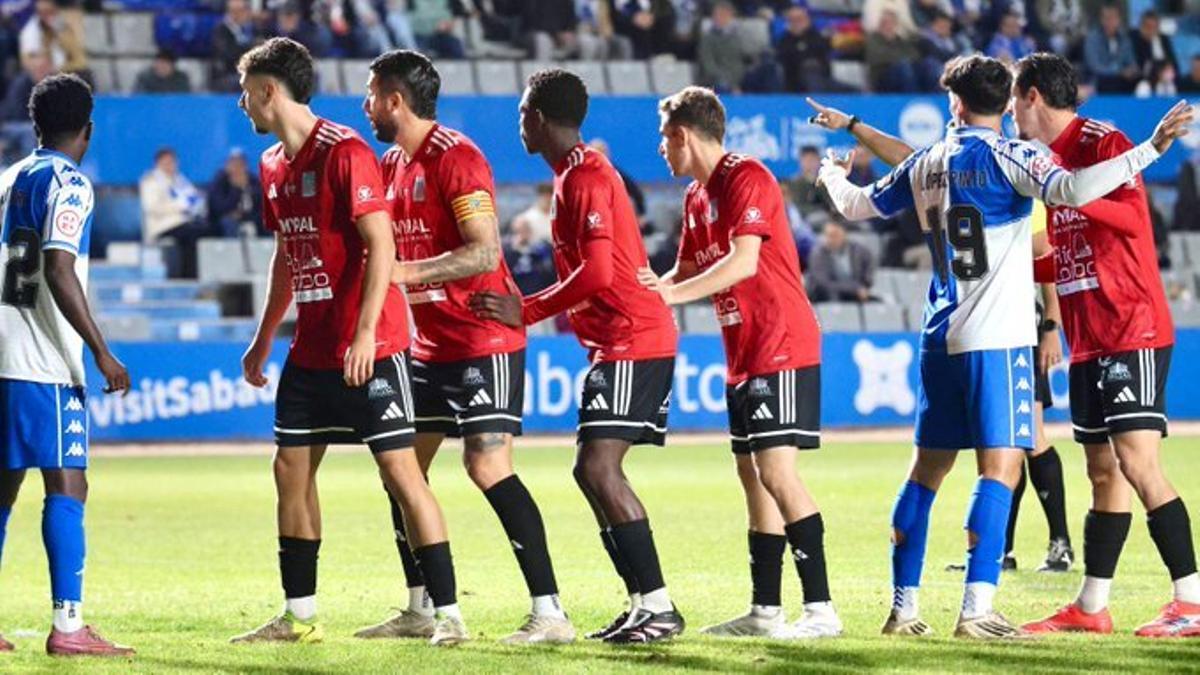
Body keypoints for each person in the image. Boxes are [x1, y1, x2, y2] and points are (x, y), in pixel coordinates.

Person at [815, 54, 1183, 639]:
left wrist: (831, 172)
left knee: (924, 472)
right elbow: (1073, 188)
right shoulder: (1012, 155)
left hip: (939, 335)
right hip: (997, 338)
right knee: (1001, 470)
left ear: (955, 103)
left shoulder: (928, 161)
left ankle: (903, 609)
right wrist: (1151, 149)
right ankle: (976, 609)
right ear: (1002, 102)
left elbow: (856, 204)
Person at [228, 37, 467, 647]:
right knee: (290, 468)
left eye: (245, 92)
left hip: (372, 347)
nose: (241, 104)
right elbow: (288, 255)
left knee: (401, 473)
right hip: (310, 350)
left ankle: (448, 615)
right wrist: (263, 338)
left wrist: (364, 333)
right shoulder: (272, 164)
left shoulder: (346, 151)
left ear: (268, 91)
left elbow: (381, 244)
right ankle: (299, 616)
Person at [805, 100, 1077, 574]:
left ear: (959, 104)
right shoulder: (1014, 168)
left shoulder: (942, 167)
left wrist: (1051, 323)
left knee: (957, 461)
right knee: (1006, 455)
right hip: (1001, 328)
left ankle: (916, 596)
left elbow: (895, 171)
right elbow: (1049, 243)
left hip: (954, 328)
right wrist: (1146, 152)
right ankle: (989, 581)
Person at [358, 49, 574, 645]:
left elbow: (484, 251)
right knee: (401, 471)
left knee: (486, 465)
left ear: (395, 100)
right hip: (429, 346)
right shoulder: (390, 165)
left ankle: (551, 613)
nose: (365, 105)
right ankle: (421, 608)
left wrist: (403, 273)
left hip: (483, 336)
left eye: (371, 95)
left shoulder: (457, 157)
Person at [470, 68, 683, 645]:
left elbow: (598, 273)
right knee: (591, 471)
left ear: (538, 119)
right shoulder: (573, 174)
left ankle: (659, 606)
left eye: (522, 114)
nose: (519, 124)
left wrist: (526, 310)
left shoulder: (585, 175)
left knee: (597, 468)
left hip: (633, 337)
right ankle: (643, 605)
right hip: (618, 339)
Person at [1006, 53, 1200, 638]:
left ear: (1032, 96)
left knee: (1138, 464)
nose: (1011, 113)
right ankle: (1092, 607)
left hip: (1130, 325)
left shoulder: (1100, 142)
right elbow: (1065, 251)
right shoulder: (1047, 161)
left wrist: (1072, 194)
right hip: (1088, 336)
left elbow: (1134, 223)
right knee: (1102, 471)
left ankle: (1191, 600)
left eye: (1014, 101)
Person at [645, 85, 842, 640]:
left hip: (781, 342)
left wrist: (670, 296)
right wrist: (645, 292)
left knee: (777, 473)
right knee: (753, 478)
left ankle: (821, 610)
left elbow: (743, 262)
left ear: (682, 135)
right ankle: (765, 611)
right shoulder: (695, 197)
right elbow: (684, 272)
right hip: (744, 351)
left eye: (664, 138)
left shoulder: (746, 176)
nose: (661, 148)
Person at [0, 72, 133, 657]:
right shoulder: (70, 182)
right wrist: (101, 350)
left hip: (2, 352)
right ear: (88, 130)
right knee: (68, 484)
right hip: (42, 359)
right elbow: (58, 266)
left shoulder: (8, 178)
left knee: (3, 489)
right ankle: (69, 626)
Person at [138, 147, 206, 278]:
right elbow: (152, 207)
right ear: (158, 163)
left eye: (172, 162)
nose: (170, 165)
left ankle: (196, 274)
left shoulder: (180, 180)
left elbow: (193, 197)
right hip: (162, 226)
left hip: (183, 222)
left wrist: (196, 203)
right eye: (166, 162)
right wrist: (179, 206)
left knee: (205, 229)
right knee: (190, 234)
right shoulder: (150, 181)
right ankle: (187, 276)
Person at [807, 219, 875, 303]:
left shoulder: (861, 251)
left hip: (856, 295)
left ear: (844, 234)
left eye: (835, 235)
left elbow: (867, 277)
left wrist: (861, 288)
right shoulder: (817, 254)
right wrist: (854, 288)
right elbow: (823, 283)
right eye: (828, 235)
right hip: (826, 296)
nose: (830, 239)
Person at [207, 147, 262, 238]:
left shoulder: (253, 181)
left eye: (240, 164)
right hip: (224, 220)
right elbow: (218, 208)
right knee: (228, 223)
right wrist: (236, 189)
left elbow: (261, 205)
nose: (237, 168)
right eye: (233, 164)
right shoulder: (219, 181)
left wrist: (246, 189)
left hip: (250, 217)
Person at [1083, 4, 1138, 94]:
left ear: (1119, 20)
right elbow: (1095, 67)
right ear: (1101, 20)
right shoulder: (1092, 39)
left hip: (1122, 82)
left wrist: (1132, 70)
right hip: (1098, 82)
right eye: (1107, 18)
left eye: (1113, 18)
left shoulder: (1124, 39)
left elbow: (1131, 62)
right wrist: (1119, 71)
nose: (1110, 22)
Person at [696, 2, 745, 94]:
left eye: (724, 15)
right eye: (717, 15)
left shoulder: (738, 36)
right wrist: (730, 82)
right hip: (717, 79)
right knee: (722, 84)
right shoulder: (707, 39)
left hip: (740, 76)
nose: (719, 18)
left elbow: (745, 58)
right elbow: (709, 65)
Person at [212, 0, 259, 93]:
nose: (237, 15)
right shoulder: (221, 30)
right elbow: (228, 54)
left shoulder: (254, 29)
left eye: (240, 11)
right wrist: (251, 47)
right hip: (229, 73)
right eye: (233, 11)